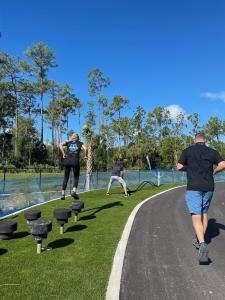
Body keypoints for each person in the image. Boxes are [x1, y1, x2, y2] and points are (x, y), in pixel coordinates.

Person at [176, 131, 225, 264]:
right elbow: (223, 164)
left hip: (194, 187)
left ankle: (202, 244)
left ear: (194, 140)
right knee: (204, 213)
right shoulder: (212, 151)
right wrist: (215, 171)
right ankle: (199, 240)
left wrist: (190, 169)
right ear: (205, 140)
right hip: (208, 186)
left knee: (196, 215)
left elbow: (179, 166)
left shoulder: (188, 151)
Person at [59, 133, 87, 200]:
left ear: (72, 137)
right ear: (78, 138)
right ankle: (74, 191)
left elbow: (60, 145)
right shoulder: (80, 143)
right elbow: (86, 148)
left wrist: (63, 154)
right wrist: (85, 156)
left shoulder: (68, 142)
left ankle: (63, 193)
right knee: (76, 177)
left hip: (67, 161)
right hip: (75, 161)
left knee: (66, 177)